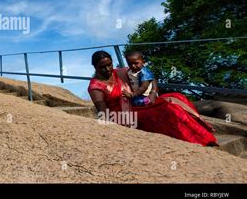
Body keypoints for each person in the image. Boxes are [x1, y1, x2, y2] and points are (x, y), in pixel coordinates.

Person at [88, 50, 218, 146]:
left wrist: (154, 93)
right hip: (123, 114)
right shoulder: (95, 86)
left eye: (109, 65)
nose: (107, 69)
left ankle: (203, 132)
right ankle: (196, 141)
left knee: (176, 97)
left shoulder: (120, 72)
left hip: (137, 102)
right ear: (95, 67)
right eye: (102, 67)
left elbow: (149, 75)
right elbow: (102, 111)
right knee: (166, 110)